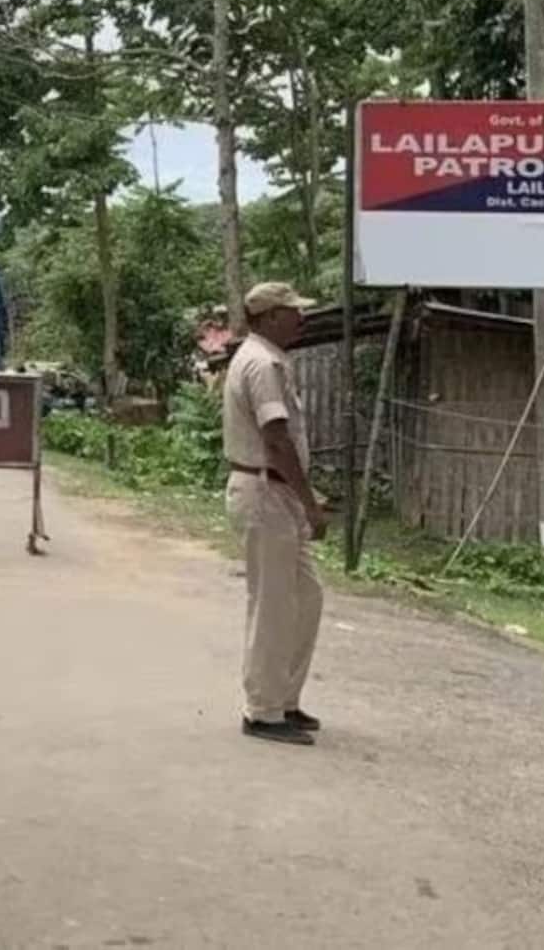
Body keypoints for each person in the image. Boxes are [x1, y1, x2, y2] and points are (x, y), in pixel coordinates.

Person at [222, 281, 327, 747]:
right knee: (274, 604)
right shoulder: (262, 364)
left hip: (275, 492)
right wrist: (310, 502)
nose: (300, 320)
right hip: (267, 490)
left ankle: (283, 697)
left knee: (305, 597)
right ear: (268, 318)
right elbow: (277, 439)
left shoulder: (267, 358)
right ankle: (263, 710)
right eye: (291, 313)